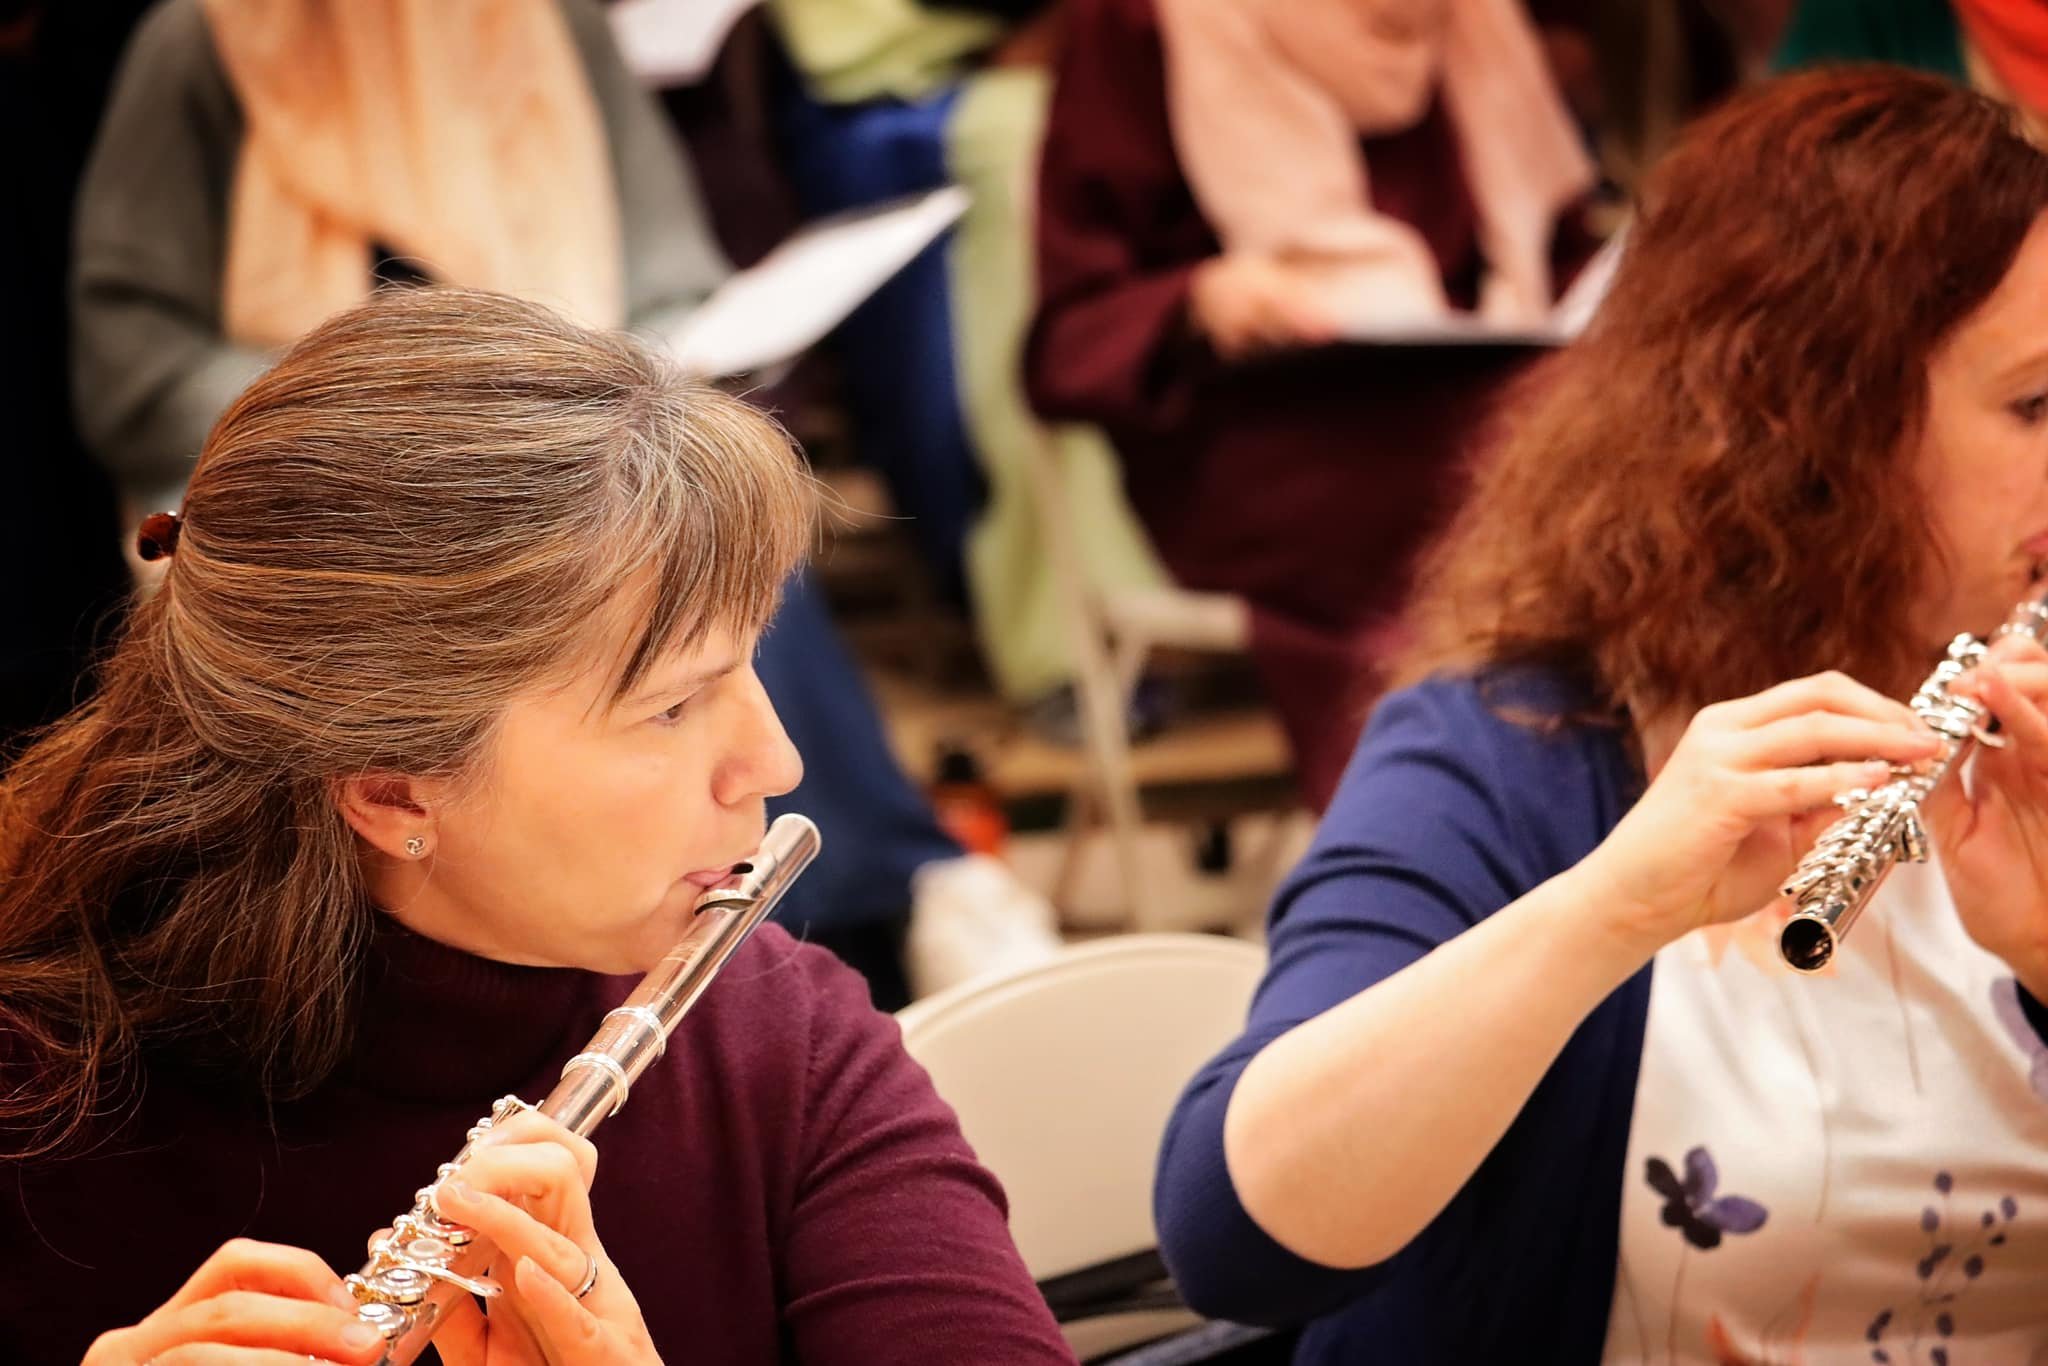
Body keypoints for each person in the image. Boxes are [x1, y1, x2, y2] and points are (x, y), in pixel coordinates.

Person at [0, 288, 1076, 1365]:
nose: (778, 762)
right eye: (669, 704)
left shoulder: (784, 1048)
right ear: (393, 792)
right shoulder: (36, 1100)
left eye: (748, 661)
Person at [1153, 69, 2048, 1362]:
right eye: (2032, 405)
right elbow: (1234, 1242)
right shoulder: (1516, 752)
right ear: (1812, 422)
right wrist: (1611, 908)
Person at [68, 0, 1062, 1003]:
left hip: (569, 462)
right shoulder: (205, 42)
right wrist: (389, 413)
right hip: (338, 496)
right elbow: (133, 352)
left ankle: (862, 913)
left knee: (682, 560)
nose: (774, 761)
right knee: (602, 611)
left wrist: (591, 398)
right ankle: (900, 891)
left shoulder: (549, 24)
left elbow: (666, 274)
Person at [1027, 0, 1599, 807]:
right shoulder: (1142, 22)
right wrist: (1201, 298)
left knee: (1634, 502)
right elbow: (1068, 335)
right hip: (1279, 435)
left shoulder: (1477, 21)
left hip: (1494, 410)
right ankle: (1445, 858)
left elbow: (1563, 259)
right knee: (1498, 538)